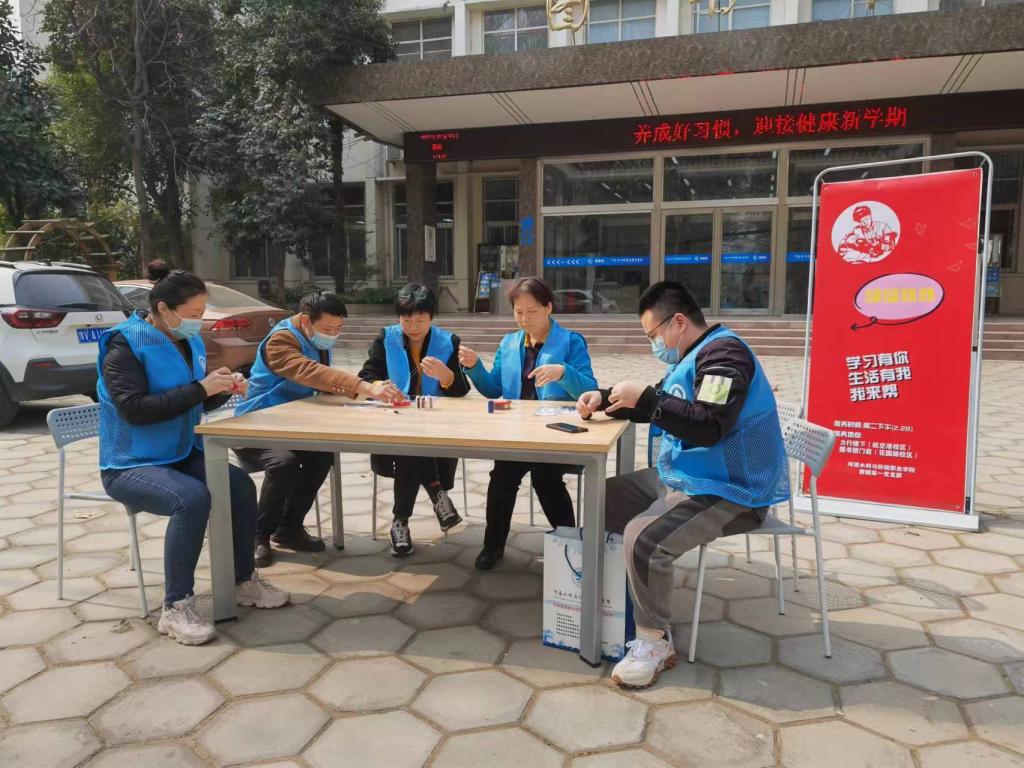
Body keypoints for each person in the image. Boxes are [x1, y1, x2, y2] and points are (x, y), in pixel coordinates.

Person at [576, 280, 789, 689]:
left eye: (652, 335)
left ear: (677, 322)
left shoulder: (725, 356)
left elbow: (707, 424)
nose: (653, 345)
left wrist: (647, 399)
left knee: (644, 537)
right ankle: (622, 601)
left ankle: (653, 642)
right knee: (605, 499)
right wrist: (604, 398)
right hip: (688, 476)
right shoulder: (694, 355)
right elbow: (667, 404)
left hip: (732, 489)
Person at [97, 270, 289, 647]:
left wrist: (221, 388)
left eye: (202, 313)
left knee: (238, 485)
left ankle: (242, 580)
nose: (198, 321)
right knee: (191, 498)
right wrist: (201, 388)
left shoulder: (187, 341)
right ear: (163, 308)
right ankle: (176, 606)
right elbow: (135, 409)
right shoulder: (125, 345)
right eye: (192, 313)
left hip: (181, 452)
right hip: (130, 463)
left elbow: (193, 400)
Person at [235, 290, 403, 567]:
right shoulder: (281, 340)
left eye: (338, 329)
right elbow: (309, 372)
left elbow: (325, 383)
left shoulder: (316, 339)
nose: (333, 334)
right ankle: (258, 535)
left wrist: (367, 392)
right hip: (257, 423)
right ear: (305, 320)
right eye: (328, 328)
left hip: (293, 425)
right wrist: (364, 387)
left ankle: (289, 528)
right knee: (284, 463)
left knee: (322, 456)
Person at [459, 276, 598, 571]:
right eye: (518, 312)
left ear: (548, 308)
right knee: (502, 478)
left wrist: (563, 372)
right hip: (517, 433)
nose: (525, 319)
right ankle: (492, 546)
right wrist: (474, 367)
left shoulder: (571, 341)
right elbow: (494, 389)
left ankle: (571, 546)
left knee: (546, 478)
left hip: (554, 434)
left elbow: (589, 390)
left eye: (532, 311)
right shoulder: (509, 343)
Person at [358, 284, 470, 556]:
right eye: (406, 319)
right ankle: (438, 495)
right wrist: (379, 386)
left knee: (411, 448)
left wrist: (447, 376)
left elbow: (461, 390)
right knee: (409, 444)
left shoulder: (448, 342)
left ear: (431, 317)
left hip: (436, 422)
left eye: (420, 320)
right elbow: (367, 375)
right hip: (395, 420)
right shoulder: (386, 338)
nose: (413, 326)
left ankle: (400, 522)